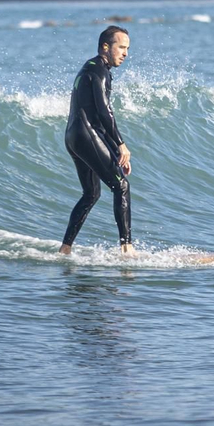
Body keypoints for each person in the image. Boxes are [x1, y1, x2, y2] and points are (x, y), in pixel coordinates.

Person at [60, 25, 134, 254]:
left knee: (91, 194)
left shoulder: (88, 68)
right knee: (121, 186)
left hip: (74, 136)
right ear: (105, 47)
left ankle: (65, 249)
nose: (125, 53)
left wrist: (115, 150)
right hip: (86, 135)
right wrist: (121, 144)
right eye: (121, 47)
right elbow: (104, 112)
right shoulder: (100, 71)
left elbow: (94, 116)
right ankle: (127, 248)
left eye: (127, 49)